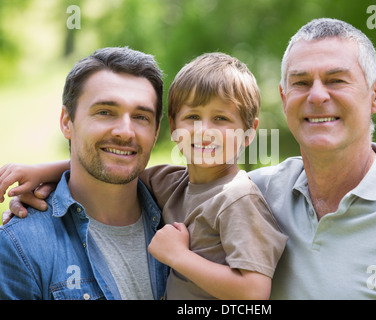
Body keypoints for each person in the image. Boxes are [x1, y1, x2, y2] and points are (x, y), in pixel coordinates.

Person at [0, 52, 287, 300]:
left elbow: (254, 293)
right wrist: (43, 172)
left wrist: (178, 256)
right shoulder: (172, 183)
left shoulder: (237, 198)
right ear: (173, 127)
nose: (204, 131)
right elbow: (113, 163)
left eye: (140, 117)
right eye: (105, 111)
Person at [247, 18, 376, 299]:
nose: (317, 95)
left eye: (336, 80)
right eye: (301, 82)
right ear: (284, 99)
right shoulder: (254, 195)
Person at [0, 47, 168, 299]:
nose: (125, 132)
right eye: (105, 112)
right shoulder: (21, 247)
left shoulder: (188, 215)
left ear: (155, 132)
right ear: (67, 122)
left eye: (141, 116)